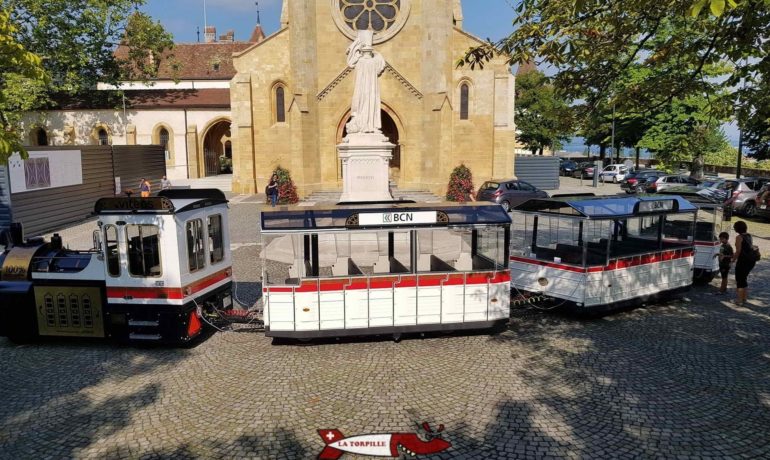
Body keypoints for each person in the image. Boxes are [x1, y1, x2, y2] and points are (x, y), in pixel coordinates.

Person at [731, 220, 757, 306]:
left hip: (743, 261)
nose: (734, 228)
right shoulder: (749, 235)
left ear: (737, 228)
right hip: (751, 261)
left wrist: (733, 260)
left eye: (734, 227)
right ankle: (744, 298)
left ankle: (739, 300)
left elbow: (738, 251)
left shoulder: (739, 237)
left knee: (740, 279)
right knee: (744, 278)